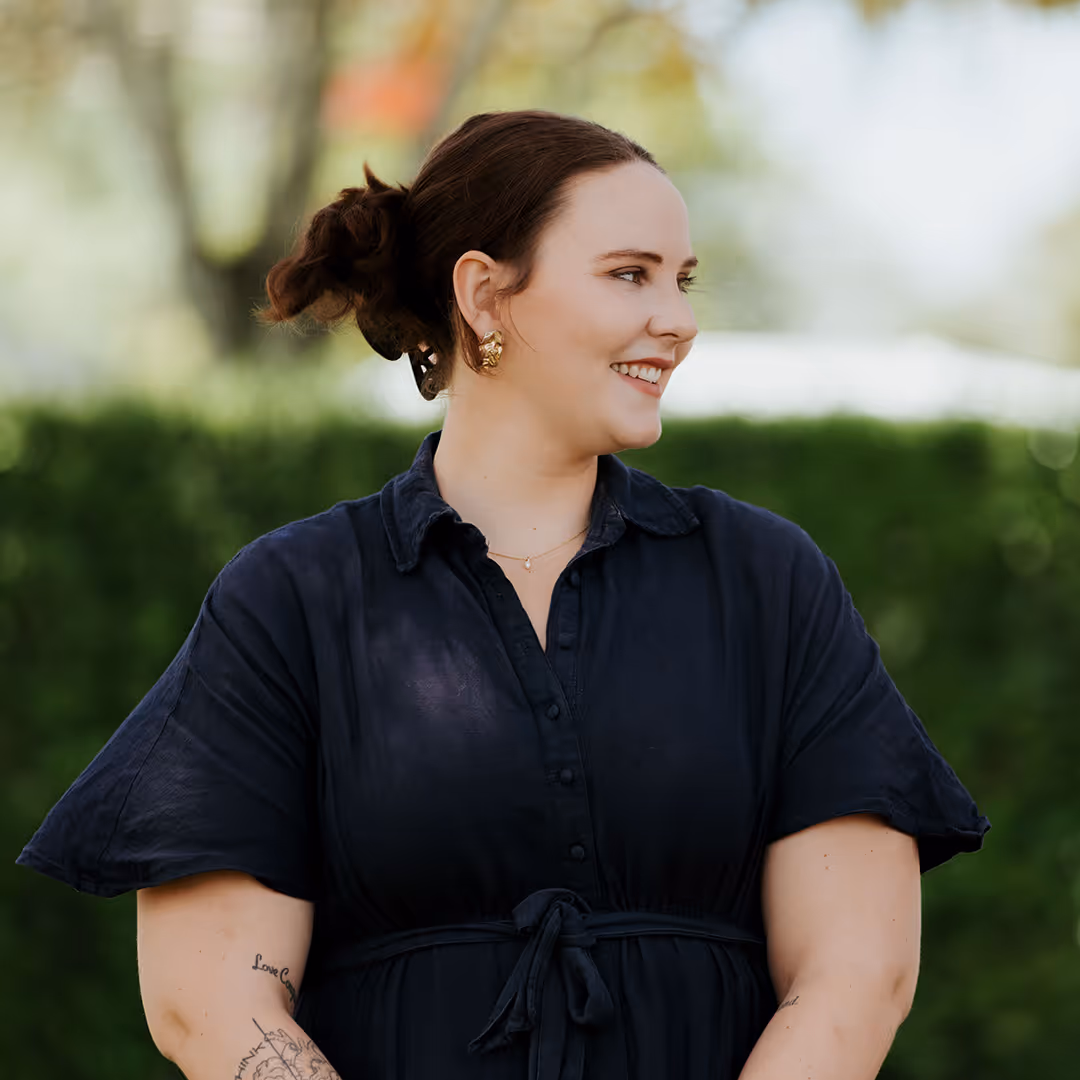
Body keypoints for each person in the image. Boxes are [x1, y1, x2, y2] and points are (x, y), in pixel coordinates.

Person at [16, 109, 989, 1080]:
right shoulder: (291, 599)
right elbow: (214, 1000)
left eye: (682, 280)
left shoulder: (767, 581)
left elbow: (857, 974)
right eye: (630, 273)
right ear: (485, 295)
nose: (681, 320)